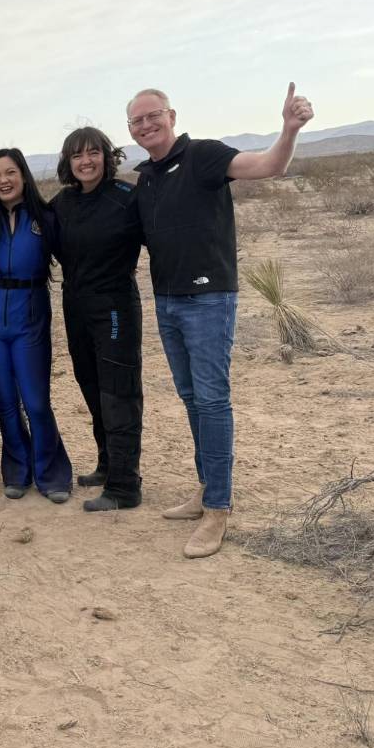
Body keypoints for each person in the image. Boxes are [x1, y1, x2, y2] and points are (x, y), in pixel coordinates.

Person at [130, 83, 314, 558]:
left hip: (208, 300)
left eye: (153, 116)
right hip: (167, 302)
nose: (146, 125)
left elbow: (269, 166)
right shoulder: (146, 178)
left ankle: (217, 508)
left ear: (171, 115)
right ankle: (206, 486)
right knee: (192, 399)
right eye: (137, 121)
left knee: (212, 400)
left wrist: (288, 130)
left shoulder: (204, 156)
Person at [0, 148, 71, 503]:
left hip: (31, 316)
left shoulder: (47, 217)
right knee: (6, 401)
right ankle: (17, 471)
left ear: (23, 175)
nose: (3, 181)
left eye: (10, 172)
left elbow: (72, 260)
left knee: (36, 400)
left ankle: (51, 474)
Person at [50, 128, 144, 512]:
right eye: (77, 156)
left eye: (93, 153)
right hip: (75, 305)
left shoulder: (127, 198)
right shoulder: (62, 203)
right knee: (91, 386)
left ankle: (125, 486)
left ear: (107, 156)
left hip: (115, 307)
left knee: (118, 392)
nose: (85, 161)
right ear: (68, 163)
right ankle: (107, 464)